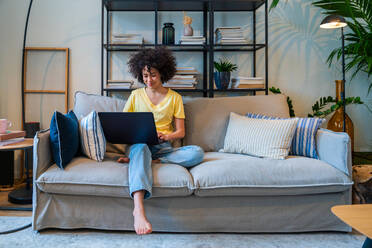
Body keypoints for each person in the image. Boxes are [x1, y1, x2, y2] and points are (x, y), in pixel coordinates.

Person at [117, 47, 204, 235]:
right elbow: (124, 126)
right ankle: (138, 209)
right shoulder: (135, 96)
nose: (149, 80)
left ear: (163, 73)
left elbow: (180, 132)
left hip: (163, 148)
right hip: (140, 145)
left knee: (197, 152)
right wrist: (138, 135)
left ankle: (152, 162)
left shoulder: (175, 98)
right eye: (145, 76)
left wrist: (166, 136)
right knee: (140, 149)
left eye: (153, 75)